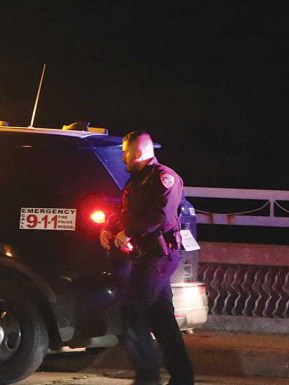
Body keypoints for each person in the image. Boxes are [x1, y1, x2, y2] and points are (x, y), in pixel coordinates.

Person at [100, 130, 194, 385]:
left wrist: (128, 232)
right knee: (161, 319)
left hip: (158, 256)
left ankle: (146, 378)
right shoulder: (136, 181)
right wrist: (110, 228)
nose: (123, 160)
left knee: (133, 312)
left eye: (126, 154)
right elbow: (124, 212)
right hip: (145, 256)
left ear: (138, 153)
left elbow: (160, 217)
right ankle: (182, 378)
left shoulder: (165, 178)